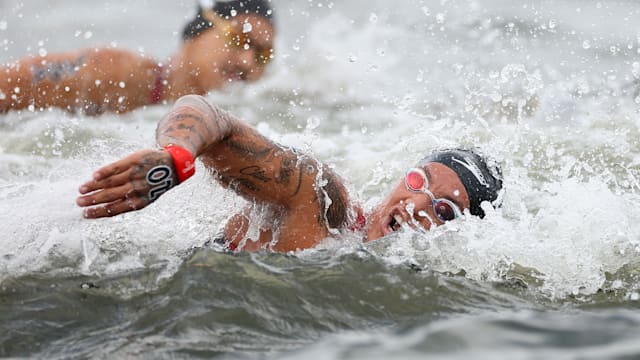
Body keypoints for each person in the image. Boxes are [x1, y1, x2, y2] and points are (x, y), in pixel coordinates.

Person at [76, 95, 504, 252]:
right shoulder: (324, 202)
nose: (414, 204)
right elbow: (209, 115)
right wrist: (174, 157)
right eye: (418, 181)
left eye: (445, 211)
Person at [0, 0, 275, 115]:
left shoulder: (241, 119)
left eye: (263, 55)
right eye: (238, 39)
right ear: (200, 29)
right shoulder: (118, 73)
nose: (247, 63)